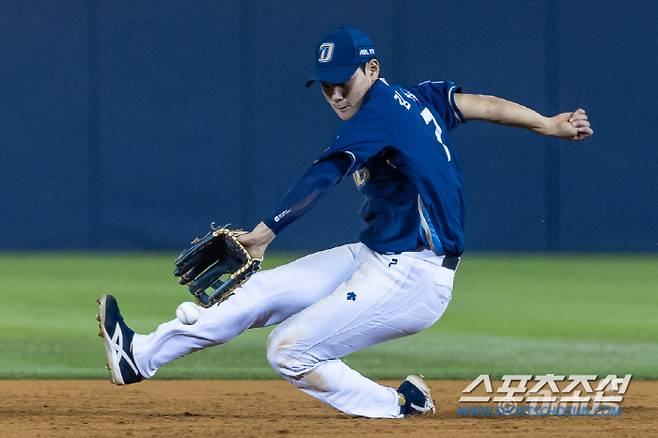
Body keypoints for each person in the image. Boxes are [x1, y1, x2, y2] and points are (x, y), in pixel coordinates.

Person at [97, 26, 593, 419]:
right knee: (257, 295)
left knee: (287, 351)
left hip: (415, 277)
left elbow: (326, 173)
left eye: (345, 80)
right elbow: (481, 105)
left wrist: (265, 233)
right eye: (326, 84)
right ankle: (138, 357)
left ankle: (396, 405)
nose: (335, 92)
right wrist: (546, 123)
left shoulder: (376, 116)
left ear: (372, 69)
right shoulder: (418, 98)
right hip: (376, 255)